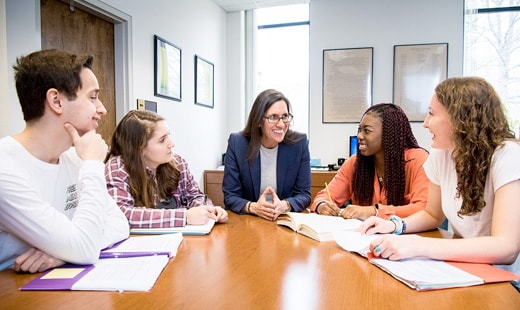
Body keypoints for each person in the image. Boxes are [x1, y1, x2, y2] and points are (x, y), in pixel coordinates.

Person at [360, 77, 520, 290]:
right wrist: (395, 225)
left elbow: (506, 248)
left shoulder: (508, 156)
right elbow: (433, 215)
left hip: (503, 281)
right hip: (463, 270)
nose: (425, 123)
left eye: (432, 114)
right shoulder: (441, 153)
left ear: (460, 119)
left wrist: (418, 245)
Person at [0, 49, 130, 273]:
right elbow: (84, 248)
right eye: (92, 97)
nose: (102, 109)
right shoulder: (5, 167)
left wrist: (62, 254)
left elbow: (120, 224)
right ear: (56, 101)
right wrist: (92, 166)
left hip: (55, 280)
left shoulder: (71, 157)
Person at [105, 110, 228, 228]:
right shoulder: (117, 168)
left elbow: (195, 196)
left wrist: (207, 210)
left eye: (168, 135)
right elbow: (122, 214)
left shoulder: (177, 163)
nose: (172, 143)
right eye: (162, 140)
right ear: (139, 148)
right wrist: (184, 217)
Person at [310, 103, 429, 220]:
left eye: (366, 131)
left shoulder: (418, 160)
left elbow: (424, 209)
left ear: (388, 133)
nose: (359, 136)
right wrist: (322, 205)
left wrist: (374, 211)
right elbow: (324, 196)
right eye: (359, 130)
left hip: (408, 236)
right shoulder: (355, 163)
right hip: (364, 236)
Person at [223, 89, 311, 221]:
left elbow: (304, 194)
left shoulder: (299, 143)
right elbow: (230, 196)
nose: (281, 124)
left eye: (285, 116)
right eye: (273, 117)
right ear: (258, 120)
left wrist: (285, 205)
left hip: (284, 220)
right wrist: (252, 207)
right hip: (248, 221)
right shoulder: (238, 143)